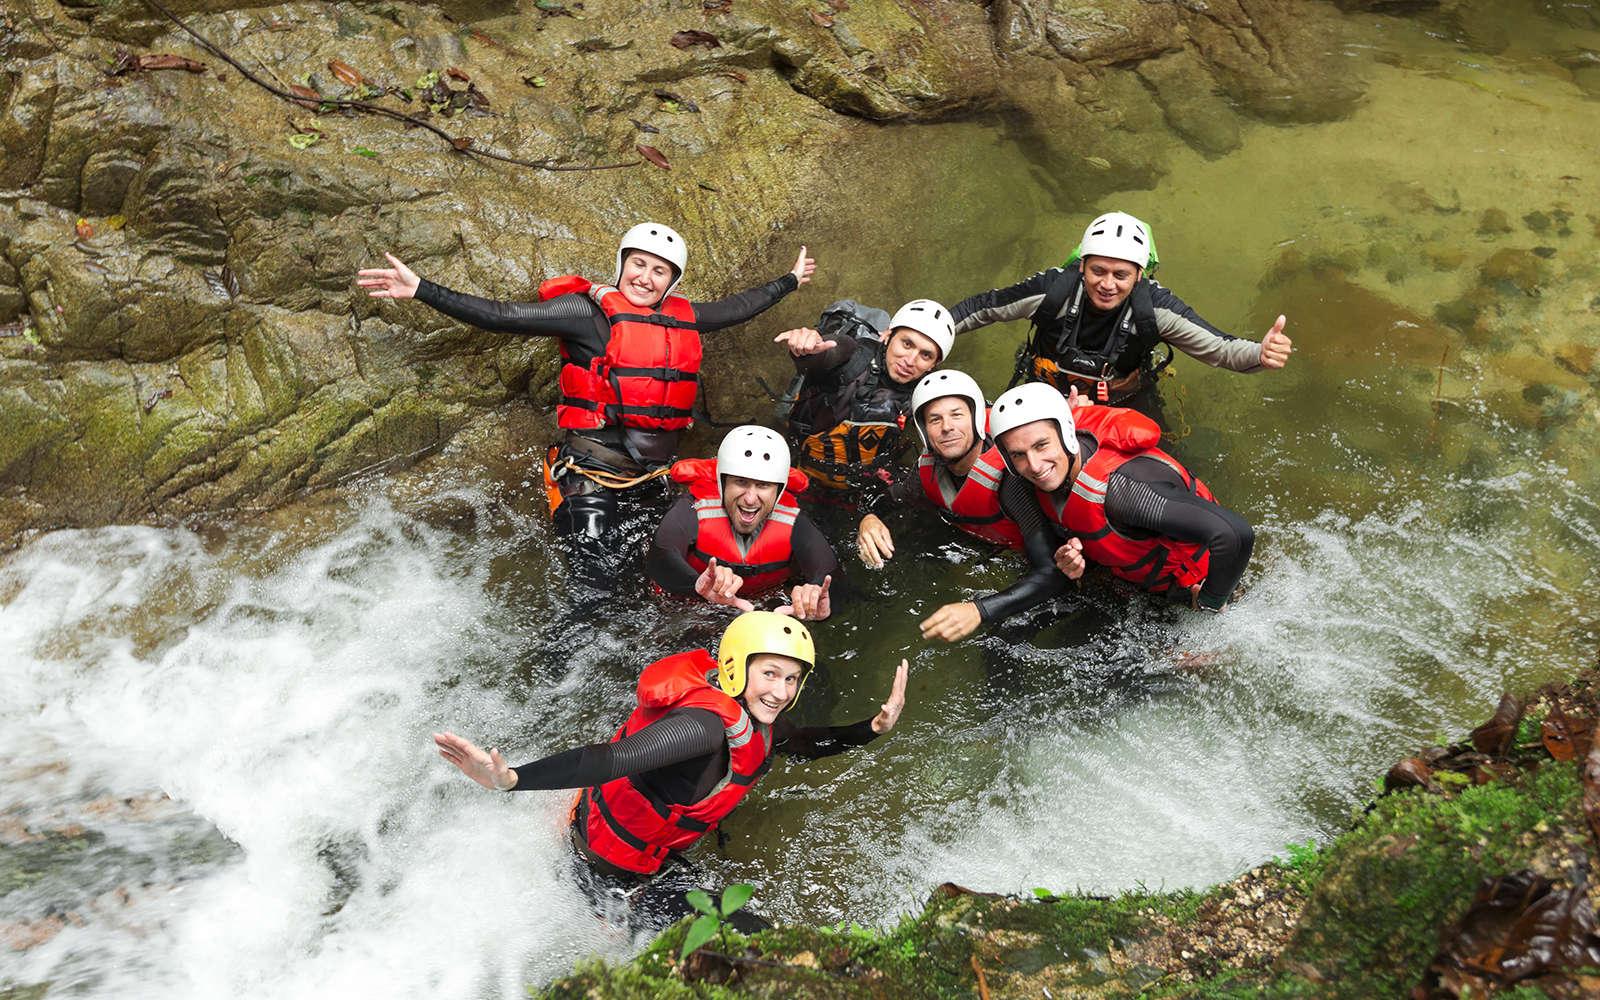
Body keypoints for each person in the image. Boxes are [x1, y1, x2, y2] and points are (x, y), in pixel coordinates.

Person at [357, 224, 815, 591]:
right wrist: (421, 288)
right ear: (621, 264)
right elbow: (502, 315)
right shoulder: (584, 312)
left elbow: (737, 307)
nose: (645, 278)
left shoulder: (683, 316)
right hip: (592, 473)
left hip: (652, 479)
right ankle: (555, 674)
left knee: (652, 580)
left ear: (672, 282)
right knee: (593, 588)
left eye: (660, 271)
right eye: (638, 264)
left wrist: (790, 282)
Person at [433, 611, 909, 931]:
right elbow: (610, 759)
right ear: (737, 667)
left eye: (790, 679)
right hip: (608, 881)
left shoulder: (756, 717)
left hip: (639, 858)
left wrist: (871, 728)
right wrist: (511, 778)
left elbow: (799, 743)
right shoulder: (703, 729)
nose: (781, 690)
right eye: (769, 673)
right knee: (763, 945)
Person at [950, 211, 1292, 408]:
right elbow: (985, 307)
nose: (1107, 284)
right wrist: (925, 333)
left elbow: (1219, 349)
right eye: (1098, 271)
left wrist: (1261, 354)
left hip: (1121, 399)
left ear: (1139, 275)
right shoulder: (1053, 291)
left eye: (1121, 275)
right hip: (1046, 392)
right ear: (1082, 265)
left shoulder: (1154, 308)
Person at [986, 382, 1254, 613]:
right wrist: (1072, 561)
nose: (1033, 465)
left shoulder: (1123, 492)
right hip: (1138, 590)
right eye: (1018, 455)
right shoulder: (1038, 480)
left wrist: (1211, 601)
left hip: (1208, 591)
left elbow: (1234, 534)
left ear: (1067, 434)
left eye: (1041, 445)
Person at [648, 426, 841, 621]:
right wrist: (697, 584)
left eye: (763, 485)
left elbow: (831, 575)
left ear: (779, 490)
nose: (750, 499)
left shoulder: (793, 521)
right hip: (686, 612)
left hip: (763, 611)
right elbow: (660, 557)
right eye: (740, 482)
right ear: (723, 483)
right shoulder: (694, 508)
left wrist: (818, 600)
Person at [773, 299, 955, 506]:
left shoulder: (929, 389)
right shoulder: (852, 354)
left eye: (925, 355)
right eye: (907, 343)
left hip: (859, 481)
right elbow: (830, 351)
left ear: (935, 364)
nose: (910, 360)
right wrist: (808, 348)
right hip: (799, 467)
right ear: (887, 334)